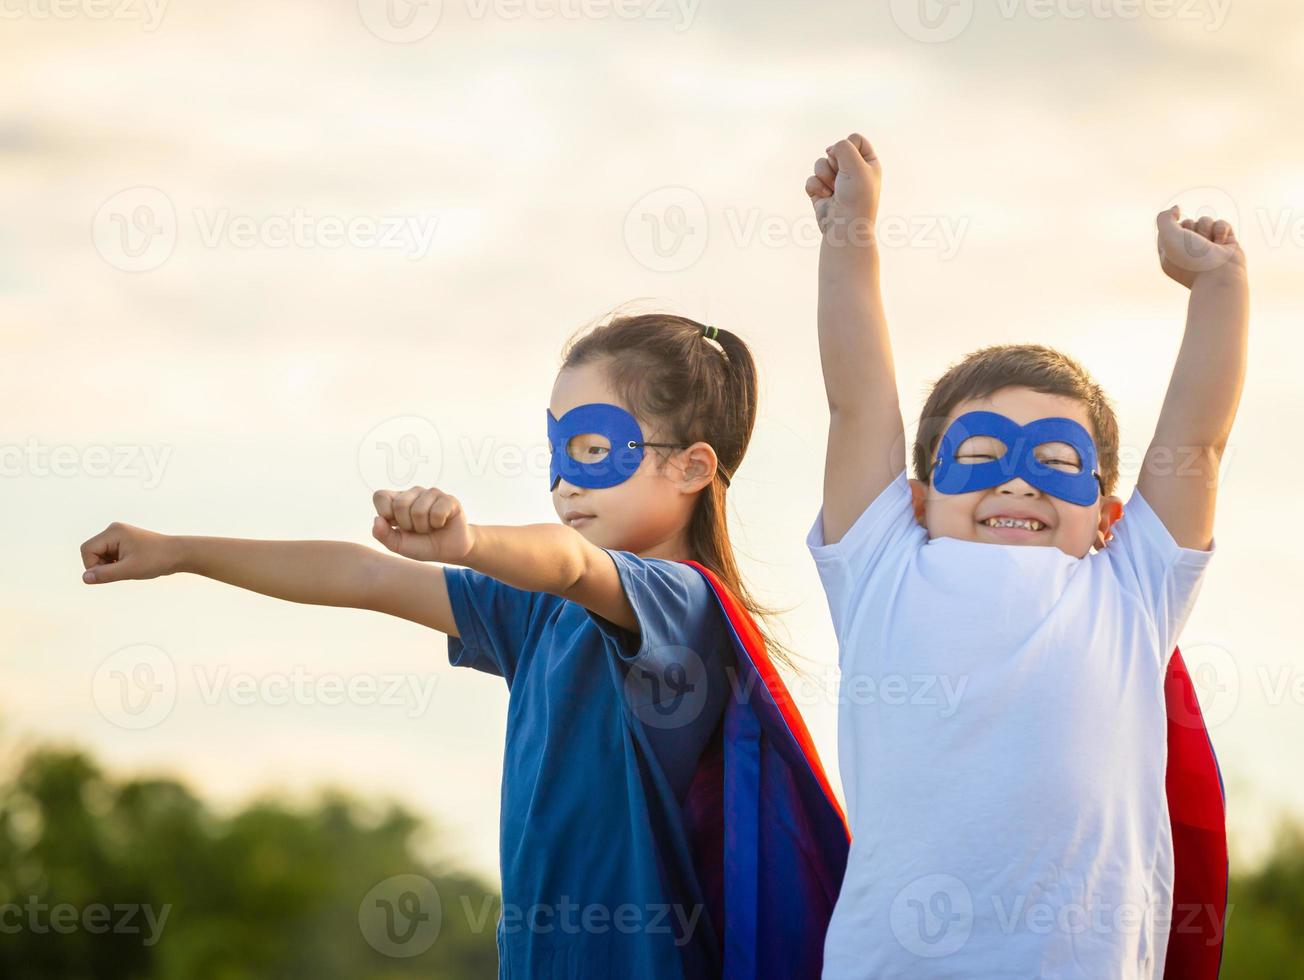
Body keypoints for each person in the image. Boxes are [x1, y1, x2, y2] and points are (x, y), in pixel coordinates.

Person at [80, 312, 849, 979]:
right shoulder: (539, 616)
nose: (564, 480)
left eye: (592, 448)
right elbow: (364, 576)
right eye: (556, 451)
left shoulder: (682, 603)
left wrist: (470, 540)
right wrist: (180, 549)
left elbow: (573, 561)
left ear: (692, 467)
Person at [801, 133, 1244, 978]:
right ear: (919, 495)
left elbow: (1200, 441)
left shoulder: (1131, 586)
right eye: (978, 458)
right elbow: (856, 404)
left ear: (1109, 516)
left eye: (1057, 463)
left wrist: (1221, 287)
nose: (1018, 485)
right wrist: (849, 230)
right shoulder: (882, 565)